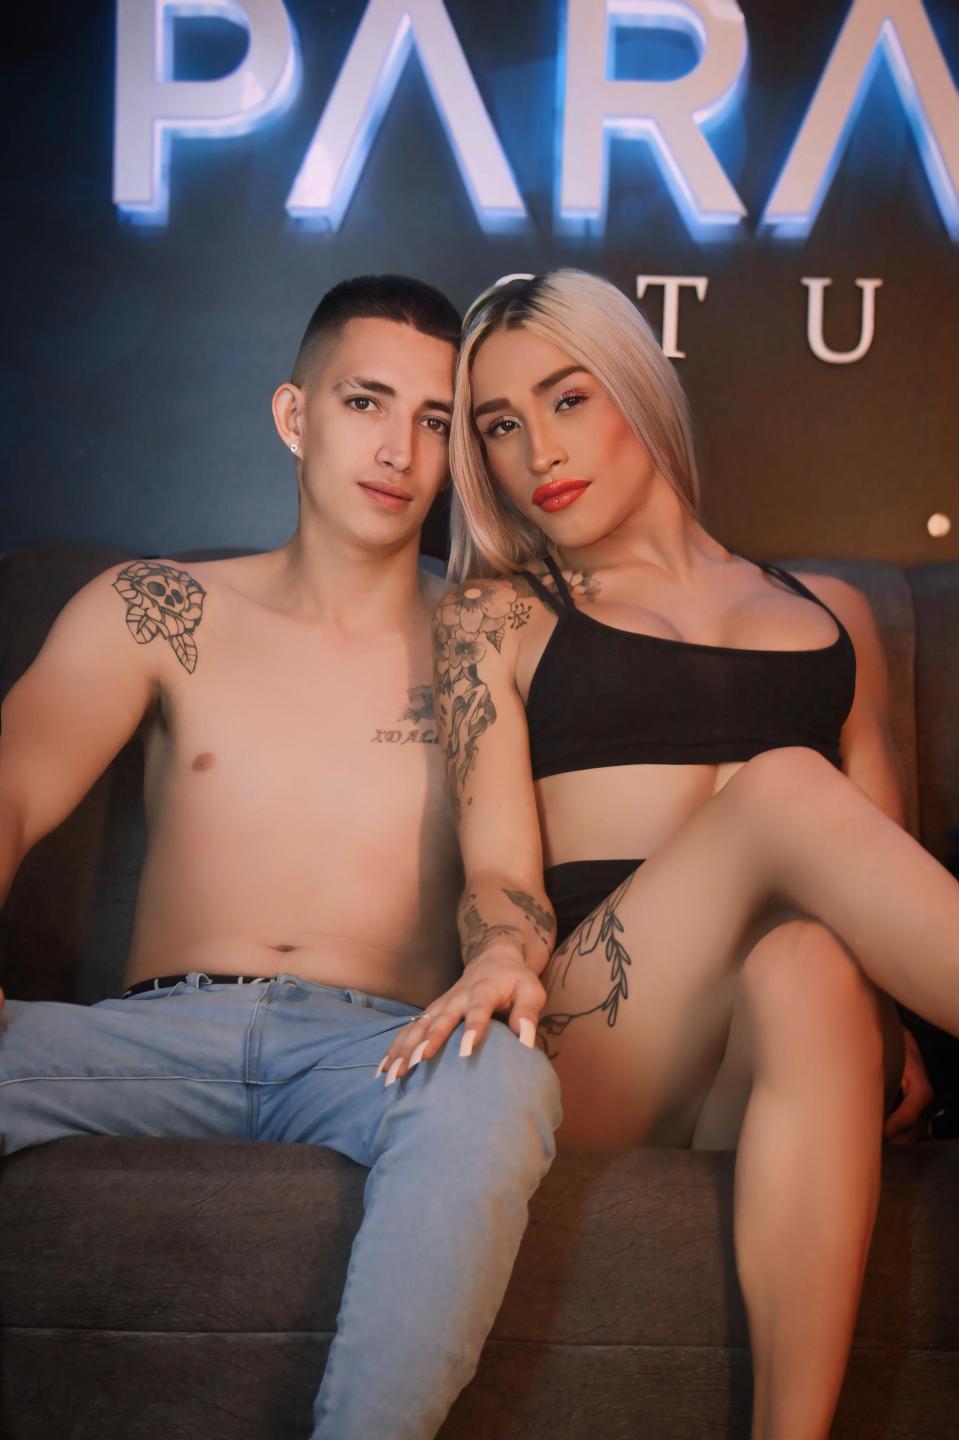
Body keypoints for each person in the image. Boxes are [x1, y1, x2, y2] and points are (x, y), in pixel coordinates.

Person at [375, 270, 958, 1440]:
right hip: (600, 1040)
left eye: (567, 398)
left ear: (637, 388)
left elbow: (877, 866)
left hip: (776, 1055)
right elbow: (498, 870)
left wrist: (898, 1036)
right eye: (497, 425)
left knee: (808, 962)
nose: (537, 451)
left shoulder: (830, 614)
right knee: (782, 783)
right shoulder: (496, 614)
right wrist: (496, 955)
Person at [0, 274, 562, 1440]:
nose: (397, 450)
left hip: (375, 1051)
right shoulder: (159, 607)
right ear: (293, 416)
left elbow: (504, 872)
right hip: (140, 1044)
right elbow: (10, 785)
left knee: (500, 1083)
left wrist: (506, 952)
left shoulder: (479, 631)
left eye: (435, 421)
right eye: (364, 403)